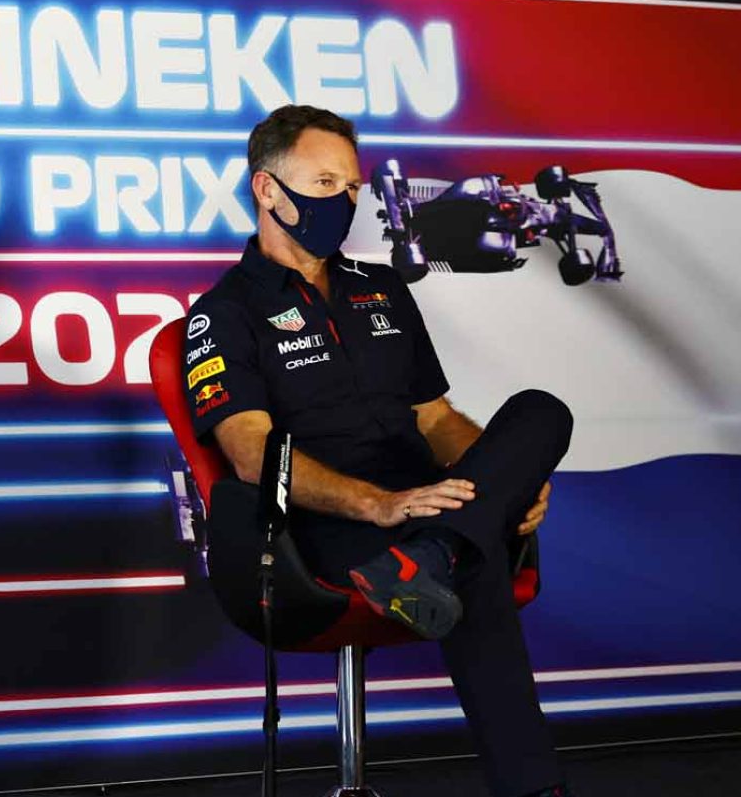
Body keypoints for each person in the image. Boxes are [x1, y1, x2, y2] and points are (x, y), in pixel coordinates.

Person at [183, 104, 574, 797]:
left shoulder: (381, 287)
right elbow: (250, 455)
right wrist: (379, 504)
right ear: (267, 189)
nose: (345, 200)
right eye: (325, 181)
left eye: (353, 187)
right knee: (475, 551)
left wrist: (504, 477)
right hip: (327, 532)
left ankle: (433, 556)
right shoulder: (223, 313)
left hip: (427, 509)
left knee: (542, 413)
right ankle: (533, 788)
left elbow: (435, 418)